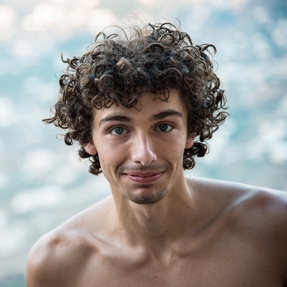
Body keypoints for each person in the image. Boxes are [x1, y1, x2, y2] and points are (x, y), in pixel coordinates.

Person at [26, 22, 287, 286]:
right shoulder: (57, 265)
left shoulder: (275, 227)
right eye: (118, 130)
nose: (144, 154)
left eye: (163, 126)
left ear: (190, 131)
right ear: (87, 138)